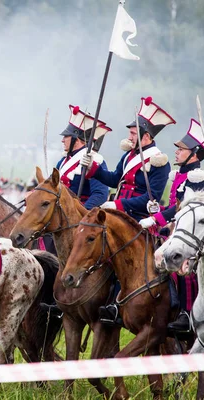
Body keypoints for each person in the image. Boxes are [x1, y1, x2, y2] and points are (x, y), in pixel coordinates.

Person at [80, 96, 173, 324]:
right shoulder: (128, 156)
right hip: (118, 214)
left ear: (147, 136)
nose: (130, 136)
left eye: (134, 133)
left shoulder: (159, 161)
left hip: (139, 219)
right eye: (131, 133)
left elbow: (149, 198)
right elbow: (113, 179)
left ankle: (118, 303)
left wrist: (118, 205)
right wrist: (92, 167)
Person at [138, 119, 204, 332]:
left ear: (193, 154)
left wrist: (157, 220)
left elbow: (183, 211)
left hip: (191, 235)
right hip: (176, 228)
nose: (176, 152)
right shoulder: (182, 175)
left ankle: (186, 313)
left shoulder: (196, 177)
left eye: (181, 149)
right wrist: (157, 212)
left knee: (181, 266)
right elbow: (175, 207)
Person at [56, 105, 110, 209]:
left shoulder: (94, 160)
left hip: (79, 215)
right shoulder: (63, 161)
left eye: (66, 136)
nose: (62, 140)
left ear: (76, 140)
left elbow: (100, 194)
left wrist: (81, 213)